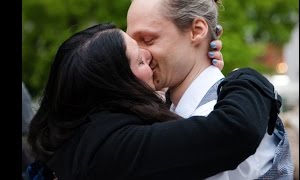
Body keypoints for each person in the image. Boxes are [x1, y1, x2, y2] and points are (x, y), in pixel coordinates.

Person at [26, 23, 281, 179]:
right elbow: (234, 131)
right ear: (115, 85)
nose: (149, 55)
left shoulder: (80, 129)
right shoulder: (108, 148)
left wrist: (188, 70)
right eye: (139, 60)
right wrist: (246, 77)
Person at [126, 0, 294, 179]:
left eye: (148, 40)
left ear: (197, 30)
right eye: (133, 44)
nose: (139, 54)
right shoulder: (179, 108)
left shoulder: (221, 120)